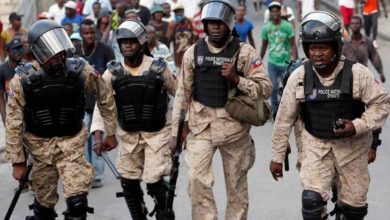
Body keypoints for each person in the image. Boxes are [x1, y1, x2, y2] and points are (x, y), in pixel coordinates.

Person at [270, 11, 390, 220]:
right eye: (312, 48)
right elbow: (284, 118)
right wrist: (277, 157)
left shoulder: (358, 74)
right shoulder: (299, 76)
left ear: (335, 47)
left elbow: (381, 105)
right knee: (311, 202)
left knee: (353, 211)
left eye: (323, 47)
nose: (317, 53)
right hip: (315, 146)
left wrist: (357, 125)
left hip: (352, 149)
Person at [5, 19, 118, 220]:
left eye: (59, 48)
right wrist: (18, 162)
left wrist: (110, 132)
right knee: (44, 207)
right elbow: (14, 123)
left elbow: (105, 96)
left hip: (72, 144)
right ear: (38, 51)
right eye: (51, 50)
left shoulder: (79, 69)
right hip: (40, 149)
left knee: (77, 204)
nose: (58, 55)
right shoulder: (22, 80)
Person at [170, 0, 271, 219]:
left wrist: (237, 79)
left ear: (229, 25)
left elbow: (265, 89)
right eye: (211, 23)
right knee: (196, 180)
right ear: (205, 25)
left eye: (220, 23)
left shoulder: (244, 53)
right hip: (201, 128)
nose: (215, 27)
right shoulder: (193, 53)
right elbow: (182, 94)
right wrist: (175, 133)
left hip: (235, 130)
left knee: (236, 188)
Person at [91, 19, 176, 219]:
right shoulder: (112, 72)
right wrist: (98, 136)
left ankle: (165, 214)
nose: (127, 45)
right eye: (123, 42)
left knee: (155, 181)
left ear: (141, 43)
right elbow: (101, 105)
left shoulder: (158, 68)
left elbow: (179, 96)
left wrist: (180, 131)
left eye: (132, 41)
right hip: (128, 137)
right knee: (128, 183)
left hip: (157, 136)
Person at [76, 18, 116, 189]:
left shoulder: (105, 50)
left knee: (98, 137)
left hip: (100, 102)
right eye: (86, 33)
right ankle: (87, 173)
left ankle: (98, 174)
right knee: (83, 139)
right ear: (81, 34)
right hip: (82, 102)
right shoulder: (75, 52)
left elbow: (112, 72)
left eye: (92, 32)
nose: (90, 35)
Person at [260, 1, 297, 114]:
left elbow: (292, 44)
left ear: (280, 12)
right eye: (272, 11)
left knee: (286, 88)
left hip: (285, 62)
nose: (275, 13)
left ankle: (285, 109)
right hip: (272, 62)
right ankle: (275, 110)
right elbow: (264, 45)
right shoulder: (266, 28)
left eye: (277, 11)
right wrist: (258, 60)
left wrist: (294, 61)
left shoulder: (287, 26)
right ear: (270, 13)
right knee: (274, 86)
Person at [343, 16, 385, 83]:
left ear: (361, 26)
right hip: (349, 77)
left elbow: (375, 57)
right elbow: (340, 60)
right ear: (350, 26)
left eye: (357, 23)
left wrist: (381, 72)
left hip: (364, 75)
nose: (355, 25)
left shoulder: (367, 41)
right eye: (352, 23)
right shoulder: (345, 43)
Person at [0, 37, 24, 126]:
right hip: (12, 113)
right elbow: (1, 97)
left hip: (29, 113)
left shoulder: (28, 67)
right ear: (8, 51)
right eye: (15, 49)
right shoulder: (2, 70)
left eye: (20, 48)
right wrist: (4, 118)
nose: (18, 51)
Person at [166, 3, 196, 74]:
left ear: (183, 11)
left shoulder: (189, 22)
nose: (178, 14)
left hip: (189, 55)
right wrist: (176, 24)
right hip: (177, 57)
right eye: (176, 12)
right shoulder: (172, 23)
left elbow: (195, 37)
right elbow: (168, 38)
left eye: (179, 11)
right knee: (178, 77)